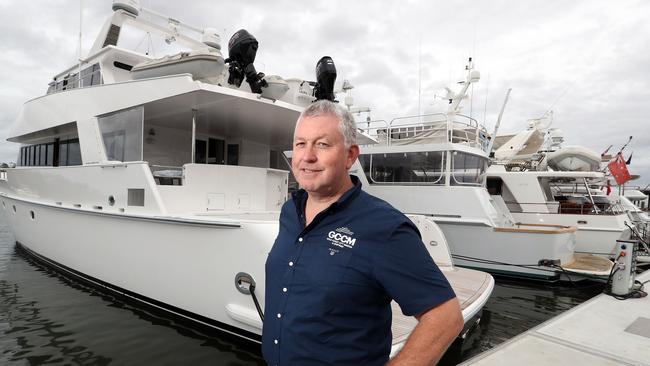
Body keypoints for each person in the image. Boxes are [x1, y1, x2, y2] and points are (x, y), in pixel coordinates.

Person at [263, 100, 463, 366]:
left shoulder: (384, 227)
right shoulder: (290, 211)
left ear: (350, 155)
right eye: (301, 144)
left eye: (322, 144)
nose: (308, 156)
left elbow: (445, 317)